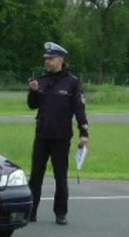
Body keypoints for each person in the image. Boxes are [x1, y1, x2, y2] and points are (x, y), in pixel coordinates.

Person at [27, 41, 90, 225]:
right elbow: (32, 105)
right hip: (42, 135)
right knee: (35, 175)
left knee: (60, 176)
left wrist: (84, 133)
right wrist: (32, 91)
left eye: (51, 58)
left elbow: (79, 109)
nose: (47, 61)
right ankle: (31, 211)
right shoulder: (42, 81)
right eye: (46, 58)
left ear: (60, 60)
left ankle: (60, 212)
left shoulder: (72, 82)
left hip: (61, 136)